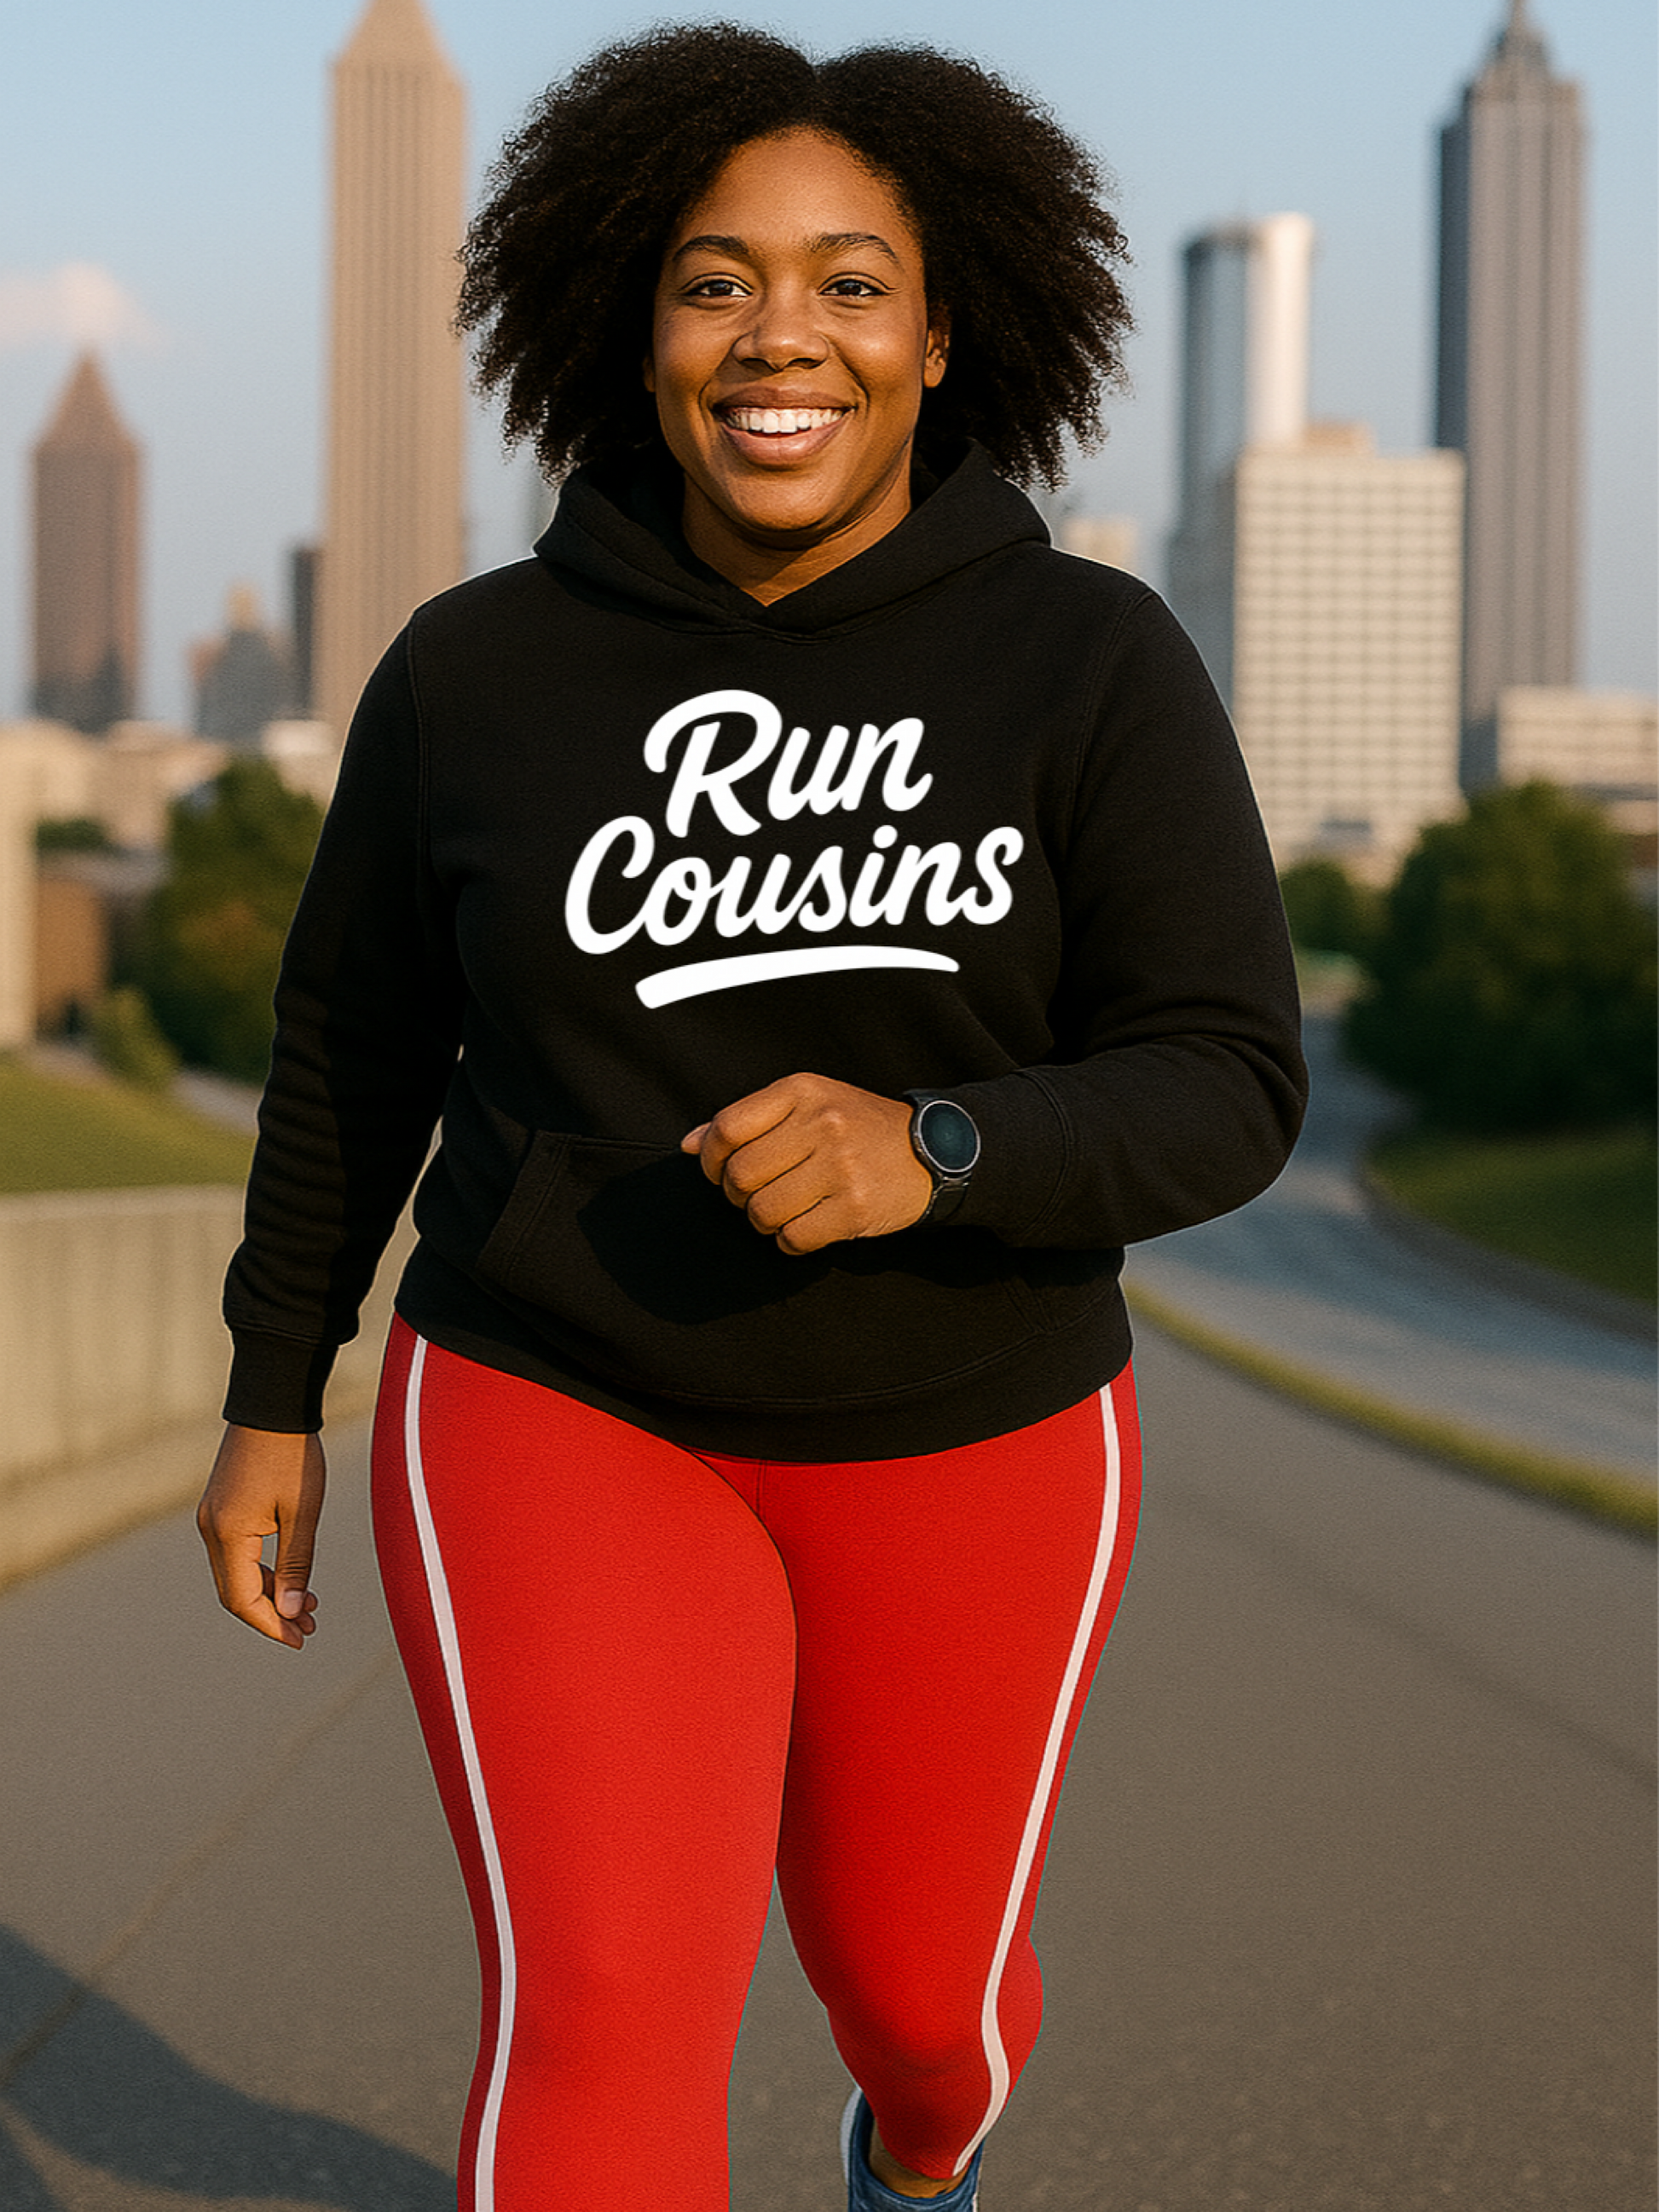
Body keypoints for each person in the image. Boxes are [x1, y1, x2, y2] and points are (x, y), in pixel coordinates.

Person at [197, 26, 1307, 2212]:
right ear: (634, 333)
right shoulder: (472, 674)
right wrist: (268, 1393)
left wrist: (939, 1147)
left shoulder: (1088, 659)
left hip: (975, 1419)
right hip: (553, 1395)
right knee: (599, 2018)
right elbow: (348, 1052)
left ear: (941, 334)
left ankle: (918, 2150)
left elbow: (1228, 1078)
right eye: (714, 283)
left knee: (921, 1998)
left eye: (848, 283)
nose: (778, 334)